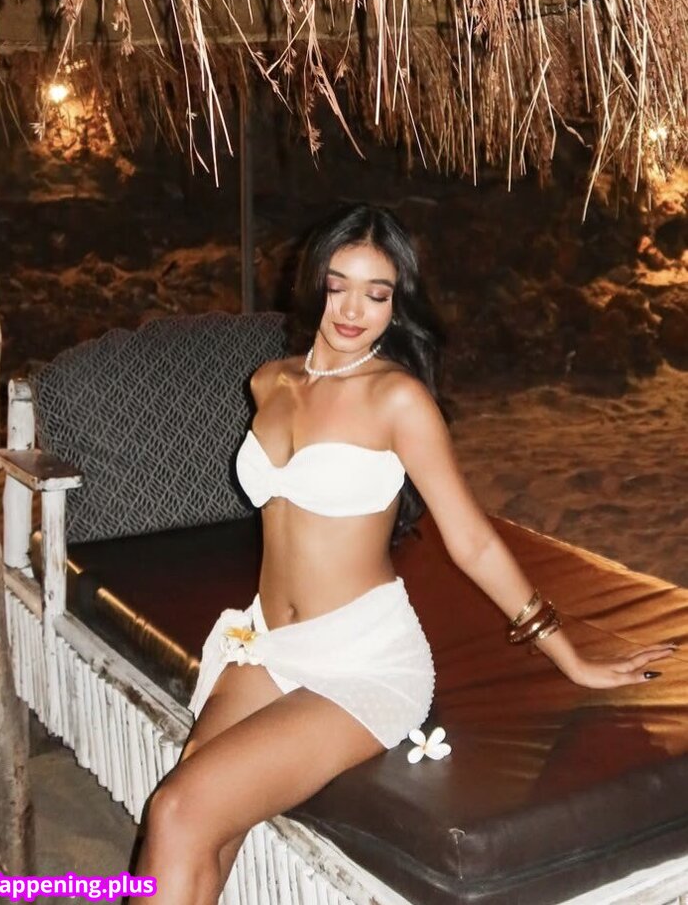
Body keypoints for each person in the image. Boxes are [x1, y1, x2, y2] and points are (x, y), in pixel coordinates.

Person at [131, 203, 674, 904]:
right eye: (339, 286)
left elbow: (472, 539)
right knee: (189, 826)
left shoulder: (398, 400)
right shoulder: (269, 381)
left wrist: (568, 654)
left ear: (397, 303)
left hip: (363, 660)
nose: (353, 310)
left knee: (178, 810)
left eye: (377, 294)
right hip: (267, 644)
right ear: (314, 283)